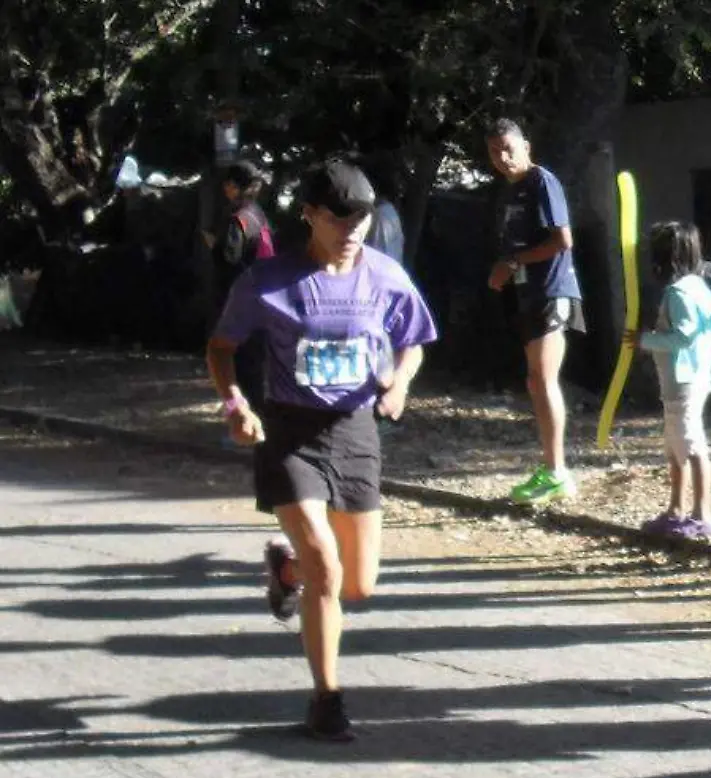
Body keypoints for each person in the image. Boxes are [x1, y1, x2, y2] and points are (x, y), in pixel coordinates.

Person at [205, 159, 436, 741]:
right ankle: (327, 698)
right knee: (328, 571)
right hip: (288, 433)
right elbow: (221, 348)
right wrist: (238, 408)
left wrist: (401, 383)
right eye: (339, 217)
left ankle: (287, 569)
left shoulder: (385, 277)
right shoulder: (268, 281)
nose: (353, 228)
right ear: (309, 215)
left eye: (361, 217)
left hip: (356, 431)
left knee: (358, 585)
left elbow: (414, 343)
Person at [486, 117, 586, 506]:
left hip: (552, 291)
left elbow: (563, 240)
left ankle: (558, 472)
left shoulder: (542, 181)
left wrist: (511, 263)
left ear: (526, 146)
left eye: (508, 148)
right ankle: (552, 467)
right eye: (494, 152)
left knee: (543, 379)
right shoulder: (509, 192)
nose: (503, 157)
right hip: (528, 294)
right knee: (535, 381)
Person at [635, 221, 711, 538]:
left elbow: (685, 336)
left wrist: (646, 340)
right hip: (688, 378)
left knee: (690, 442)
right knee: (674, 444)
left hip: (683, 379)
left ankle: (702, 513)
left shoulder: (678, 293)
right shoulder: (699, 287)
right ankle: (676, 508)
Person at [204, 160, 276, 410]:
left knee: (239, 365)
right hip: (265, 295)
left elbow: (229, 260)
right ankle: (258, 415)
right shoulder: (258, 214)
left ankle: (246, 417)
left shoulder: (239, 220)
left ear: (232, 187)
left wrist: (214, 245)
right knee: (254, 364)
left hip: (242, 300)